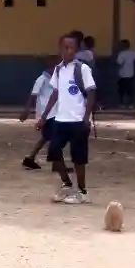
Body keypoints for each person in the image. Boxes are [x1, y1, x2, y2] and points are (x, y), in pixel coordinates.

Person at [36, 32, 98, 204]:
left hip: (78, 120)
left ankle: (82, 191)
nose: (67, 50)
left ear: (76, 50)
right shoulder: (58, 70)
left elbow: (91, 93)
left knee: (79, 157)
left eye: (71, 48)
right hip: (61, 119)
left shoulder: (82, 69)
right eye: (64, 47)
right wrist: (44, 116)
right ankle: (66, 184)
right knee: (54, 151)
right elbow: (55, 94)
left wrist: (86, 117)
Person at [20, 54, 56, 170]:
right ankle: (56, 163)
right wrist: (26, 110)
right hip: (46, 113)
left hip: (53, 112)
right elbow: (33, 94)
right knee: (54, 137)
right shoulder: (42, 79)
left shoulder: (56, 79)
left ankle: (30, 158)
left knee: (47, 137)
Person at [113, 39, 135, 108]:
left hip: (122, 75)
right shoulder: (133, 53)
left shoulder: (121, 54)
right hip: (131, 74)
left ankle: (122, 104)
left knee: (122, 90)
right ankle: (131, 104)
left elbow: (119, 63)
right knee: (130, 90)